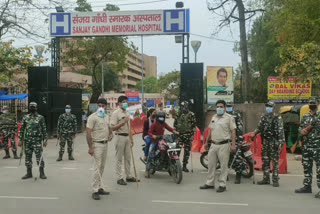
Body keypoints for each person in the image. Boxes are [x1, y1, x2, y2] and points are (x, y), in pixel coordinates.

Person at [200, 100, 236, 193]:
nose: (219, 108)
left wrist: (233, 145)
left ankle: (222, 184)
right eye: (218, 107)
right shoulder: (214, 117)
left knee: (223, 166)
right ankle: (210, 183)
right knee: (211, 165)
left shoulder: (229, 118)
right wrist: (206, 142)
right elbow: (210, 130)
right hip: (213, 144)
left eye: (221, 106)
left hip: (224, 145)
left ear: (224, 107)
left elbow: (233, 131)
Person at [251, 101, 285, 187]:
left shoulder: (278, 118)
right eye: (267, 106)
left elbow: (281, 132)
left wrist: (281, 144)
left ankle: (275, 179)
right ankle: (266, 178)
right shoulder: (264, 117)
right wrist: (254, 133)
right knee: (265, 160)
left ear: (274, 108)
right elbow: (259, 127)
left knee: (275, 162)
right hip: (265, 142)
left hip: (274, 143)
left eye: (270, 106)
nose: (268, 108)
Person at [86, 98, 113, 200]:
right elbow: (88, 132)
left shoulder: (106, 116)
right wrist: (90, 147)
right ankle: (94, 190)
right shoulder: (92, 117)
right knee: (96, 168)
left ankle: (100, 187)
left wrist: (111, 134)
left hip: (105, 144)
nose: (101, 107)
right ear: (97, 105)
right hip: (96, 145)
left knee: (102, 167)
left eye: (103, 105)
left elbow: (109, 127)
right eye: (99, 105)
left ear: (106, 106)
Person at [295, 98, 320, 198]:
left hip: (318, 146)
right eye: (310, 103)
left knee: (319, 168)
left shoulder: (319, 117)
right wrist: (301, 131)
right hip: (306, 145)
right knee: (306, 166)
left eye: (313, 103)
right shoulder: (305, 116)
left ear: (317, 104)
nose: (311, 104)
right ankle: (307, 186)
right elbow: (300, 127)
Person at [111, 95, 138, 185]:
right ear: (119, 103)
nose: (125, 103)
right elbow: (112, 127)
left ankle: (128, 176)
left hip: (127, 137)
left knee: (128, 158)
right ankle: (119, 178)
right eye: (123, 102)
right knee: (119, 158)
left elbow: (129, 127)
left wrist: (131, 138)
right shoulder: (115, 113)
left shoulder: (127, 113)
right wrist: (122, 123)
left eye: (126, 102)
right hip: (119, 137)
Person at [18, 102, 47, 180]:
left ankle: (42, 173)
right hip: (27, 141)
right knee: (28, 157)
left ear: (36, 108)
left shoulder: (40, 117)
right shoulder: (25, 117)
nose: (32, 108)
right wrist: (20, 139)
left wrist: (45, 140)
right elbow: (22, 129)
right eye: (31, 107)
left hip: (37, 140)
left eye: (33, 107)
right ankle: (29, 173)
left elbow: (44, 129)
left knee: (39, 157)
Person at [146, 111, 179, 178]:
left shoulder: (164, 124)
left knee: (168, 148)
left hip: (162, 140)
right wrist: (153, 135)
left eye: (163, 117)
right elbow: (149, 132)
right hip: (155, 141)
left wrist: (174, 131)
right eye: (160, 117)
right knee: (151, 154)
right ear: (157, 118)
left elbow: (169, 128)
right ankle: (147, 170)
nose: (162, 119)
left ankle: (169, 165)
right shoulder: (154, 124)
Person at [174, 101, 196, 172]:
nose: (184, 108)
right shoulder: (178, 114)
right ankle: (176, 165)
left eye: (185, 106)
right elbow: (175, 124)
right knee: (177, 151)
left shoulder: (191, 114)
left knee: (187, 152)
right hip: (179, 135)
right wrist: (175, 133)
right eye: (183, 106)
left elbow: (193, 125)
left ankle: (184, 166)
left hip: (188, 136)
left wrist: (192, 135)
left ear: (188, 106)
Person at [226, 102, 245, 184]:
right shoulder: (223, 115)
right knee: (224, 158)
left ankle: (238, 176)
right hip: (225, 140)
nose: (228, 107)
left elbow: (240, 128)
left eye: (230, 106)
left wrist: (240, 140)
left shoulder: (236, 115)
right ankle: (224, 175)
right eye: (227, 106)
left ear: (232, 107)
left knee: (237, 158)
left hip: (235, 140)